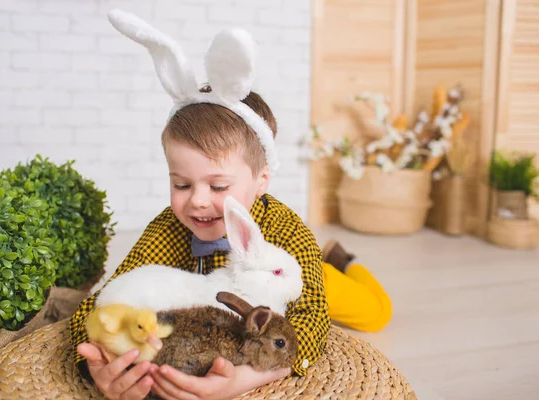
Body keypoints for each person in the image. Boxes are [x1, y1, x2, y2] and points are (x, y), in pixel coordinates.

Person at [70, 10, 392, 400]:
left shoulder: (288, 233)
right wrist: (97, 362)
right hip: (223, 294)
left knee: (376, 313)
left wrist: (251, 377)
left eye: (218, 185)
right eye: (181, 183)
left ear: (261, 183)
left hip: (294, 277)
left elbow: (311, 321)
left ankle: (344, 261)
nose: (198, 201)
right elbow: (109, 297)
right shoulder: (168, 229)